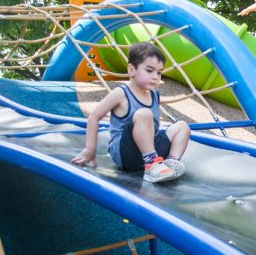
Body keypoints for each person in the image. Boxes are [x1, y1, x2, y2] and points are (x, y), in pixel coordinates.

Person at [71, 42, 191, 183]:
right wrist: (90, 149)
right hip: (125, 153)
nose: (156, 76)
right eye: (149, 70)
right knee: (144, 114)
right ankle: (152, 164)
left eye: (159, 72)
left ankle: (171, 163)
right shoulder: (121, 93)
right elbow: (94, 117)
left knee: (182, 126)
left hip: (148, 148)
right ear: (131, 70)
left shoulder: (154, 95)